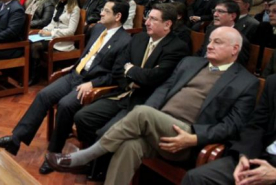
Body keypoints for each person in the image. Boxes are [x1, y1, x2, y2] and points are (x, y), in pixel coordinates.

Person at [47, 27, 259, 185]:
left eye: (218, 42)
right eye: (210, 40)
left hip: (185, 137)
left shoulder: (245, 82)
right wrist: (151, 117)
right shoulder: (190, 63)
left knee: (141, 112)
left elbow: (232, 125)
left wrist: (194, 137)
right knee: (129, 145)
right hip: (156, 124)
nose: (210, 45)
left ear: (235, 49)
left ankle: (85, 156)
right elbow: (163, 91)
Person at [0, 0, 132, 174]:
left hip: (90, 83)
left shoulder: (125, 41)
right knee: (43, 95)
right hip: (75, 75)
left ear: (118, 16)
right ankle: (15, 139)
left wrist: (92, 83)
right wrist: (74, 66)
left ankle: (53, 154)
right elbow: (89, 54)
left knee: (65, 105)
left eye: (106, 11)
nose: (101, 13)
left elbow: (116, 76)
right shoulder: (99, 29)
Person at [74, 3, 190, 153]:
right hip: (122, 92)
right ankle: (94, 162)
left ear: (167, 24)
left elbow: (153, 78)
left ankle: (97, 169)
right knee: (82, 117)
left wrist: (129, 68)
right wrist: (131, 81)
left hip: (143, 101)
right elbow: (117, 68)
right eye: (148, 18)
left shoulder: (177, 47)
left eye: (153, 19)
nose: (146, 22)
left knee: (107, 132)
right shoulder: (139, 38)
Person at [182, 74, 276, 185]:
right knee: (196, 178)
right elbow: (256, 125)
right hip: (260, 157)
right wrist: (244, 155)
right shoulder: (273, 82)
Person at [28, 0, 80, 85]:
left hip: (62, 40)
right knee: (29, 41)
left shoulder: (75, 9)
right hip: (53, 37)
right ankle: (30, 74)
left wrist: (51, 33)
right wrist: (44, 30)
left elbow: (71, 31)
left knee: (35, 46)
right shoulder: (59, 6)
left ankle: (35, 77)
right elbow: (53, 23)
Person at [196, 0, 251, 66]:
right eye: (214, 11)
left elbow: (237, 67)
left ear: (232, 16)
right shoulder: (211, 30)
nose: (215, 14)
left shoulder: (240, 40)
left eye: (220, 11)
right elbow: (202, 52)